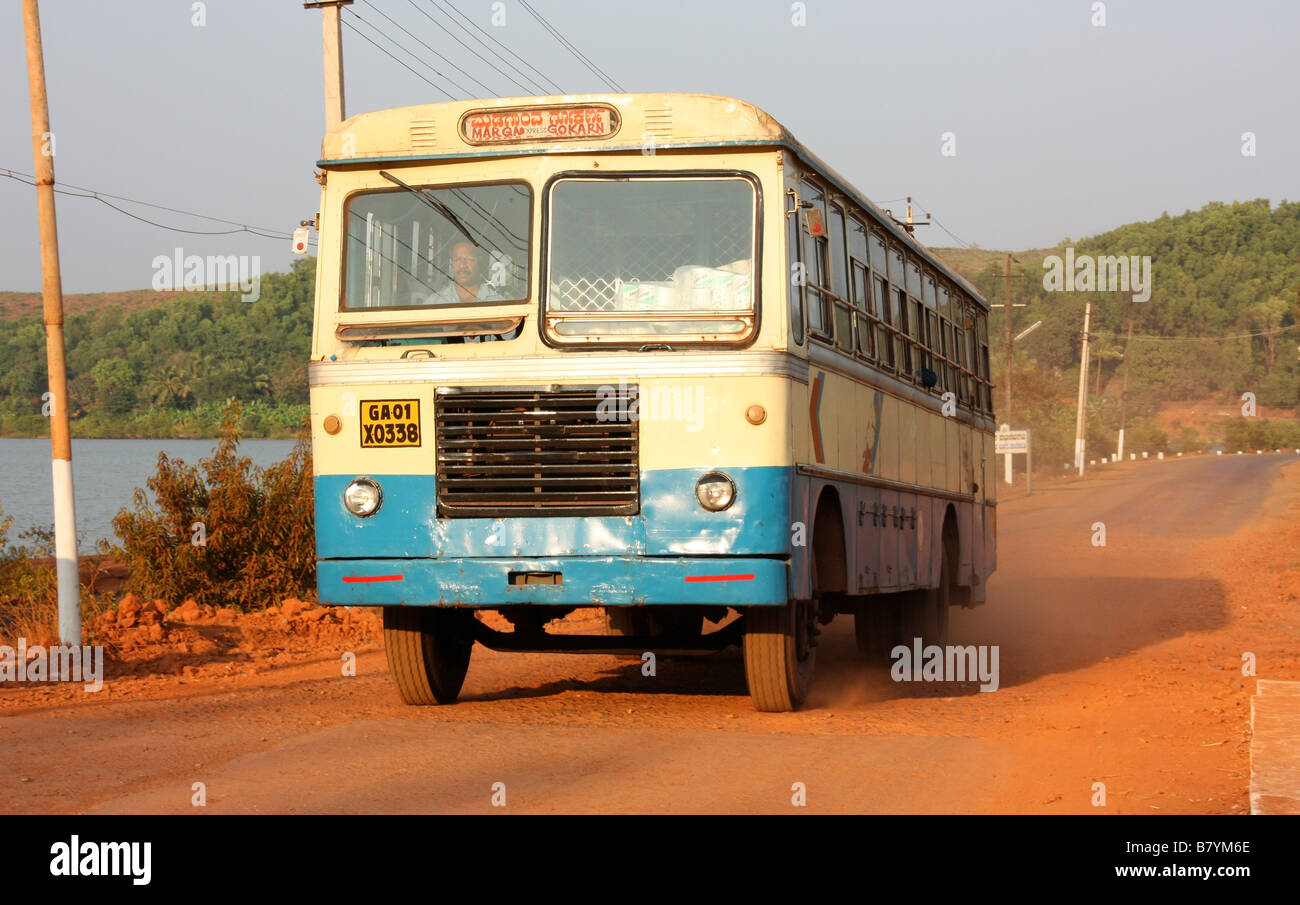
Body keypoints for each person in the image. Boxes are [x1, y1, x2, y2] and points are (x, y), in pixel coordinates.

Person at [424, 241, 519, 342]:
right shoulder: (434, 302)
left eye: (470, 259)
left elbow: (510, 340)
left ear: (480, 264)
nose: (463, 265)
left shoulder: (498, 302)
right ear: (452, 264)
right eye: (458, 259)